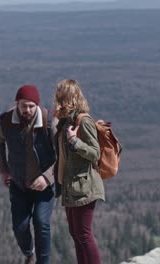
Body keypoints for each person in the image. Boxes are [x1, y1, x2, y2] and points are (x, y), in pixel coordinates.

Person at [0, 84, 56, 264]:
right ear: (16, 104)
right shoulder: (5, 121)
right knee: (20, 227)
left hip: (45, 185)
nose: (27, 109)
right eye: (23, 105)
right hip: (19, 184)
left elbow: (64, 156)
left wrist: (47, 178)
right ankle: (29, 253)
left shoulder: (49, 121)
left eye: (30, 106)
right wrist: (3, 170)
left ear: (37, 105)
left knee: (41, 222)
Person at [53, 79, 105, 264]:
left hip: (84, 185)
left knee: (83, 234)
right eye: (58, 97)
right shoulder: (64, 122)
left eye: (62, 97)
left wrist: (76, 142)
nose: (58, 101)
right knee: (75, 234)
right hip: (70, 185)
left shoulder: (83, 121)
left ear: (72, 99)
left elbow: (95, 152)